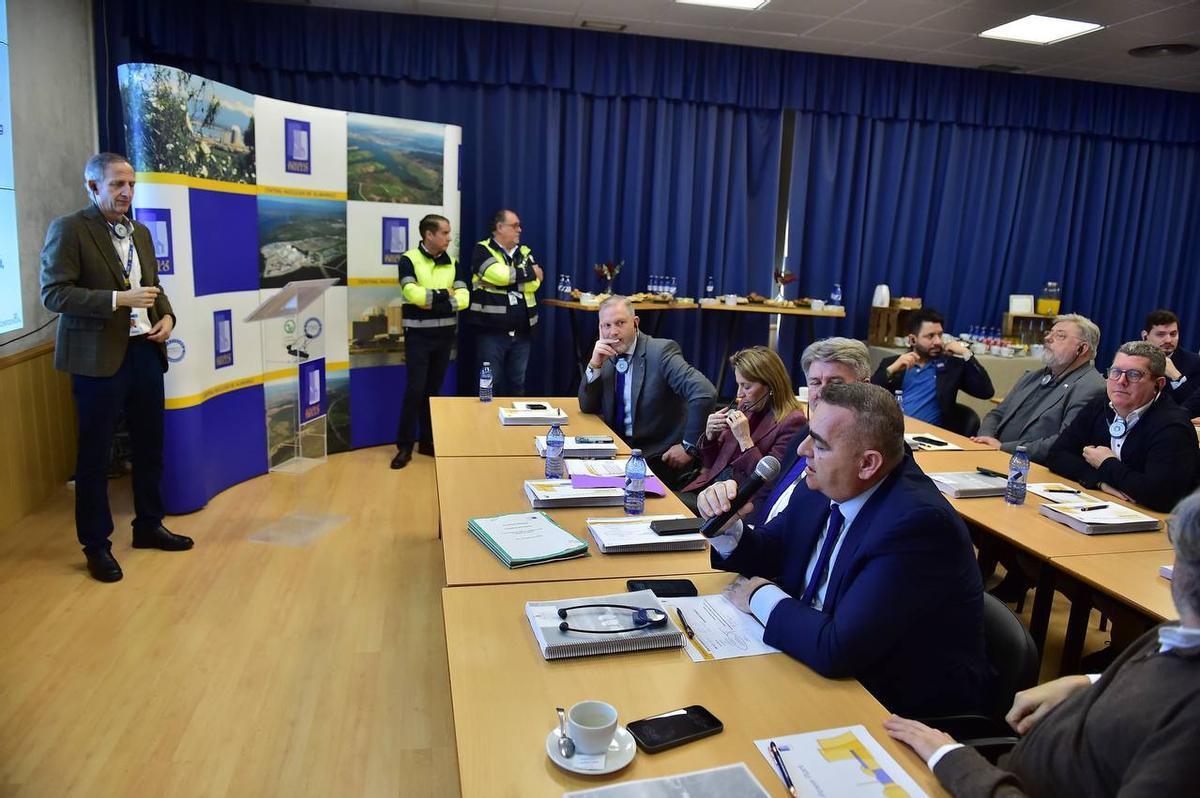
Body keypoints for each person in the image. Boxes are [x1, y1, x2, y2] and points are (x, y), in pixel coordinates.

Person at [697, 383, 990, 717]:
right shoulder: (823, 483)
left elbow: (838, 648)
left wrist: (758, 595)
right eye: (809, 434)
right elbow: (771, 549)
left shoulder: (917, 525)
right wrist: (727, 528)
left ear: (867, 464)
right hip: (811, 659)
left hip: (893, 702)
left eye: (819, 444)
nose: (802, 450)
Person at [884, 488, 1200, 797]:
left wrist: (951, 760)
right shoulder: (1176, 634)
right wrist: (1087, 682)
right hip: (1003, 770)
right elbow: (1160, 679)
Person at [39, 152, 193, 583]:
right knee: (96, 457)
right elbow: (54, 295)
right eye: (116, 185)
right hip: (97, 359)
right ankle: (96, 545)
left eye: (130, 184)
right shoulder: (70, 229)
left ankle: (148, 525)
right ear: (93, 187)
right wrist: (115, 300)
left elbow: (153, 286)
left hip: (144, 351)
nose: (126, 192)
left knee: (150, 446)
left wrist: (168, 316)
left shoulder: (140, 232)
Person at [577, 295, 715, 488]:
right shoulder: (606, 355)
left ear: (635, 323)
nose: (613, 332)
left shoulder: (661, 352)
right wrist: (594, 364)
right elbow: (587, 406)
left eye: (620, 323)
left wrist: (689, 446)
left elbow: (704, 392)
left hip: (656, 457)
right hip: (615, 451)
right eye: (606, 326)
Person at [1046, 341, 1198, 512]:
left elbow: (1160, 496)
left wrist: (1106, 463)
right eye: (1115, 372)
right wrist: (1099, 481)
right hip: (1105, 506)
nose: (1121, 381)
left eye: (1134, 375)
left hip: (1156, 521)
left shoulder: (1173, 426)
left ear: (1159, 384)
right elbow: (1056, 454)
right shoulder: (1099, 406)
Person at [753, 337, 872, 525]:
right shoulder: (803, 435)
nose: (822, 392)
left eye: (836, 383)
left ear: (865, 387)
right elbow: (769, 494)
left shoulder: (862, 452)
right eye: (816, 382)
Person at [678, 347, 806, 511]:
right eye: (739, 385)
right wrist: (710, 436)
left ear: (771, 386)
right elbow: (712, 464)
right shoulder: (746, 405)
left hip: (737, 501)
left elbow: (768, 482)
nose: (739, 394)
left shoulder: (793, 421)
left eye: (746, 386)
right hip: (709, 488)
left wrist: (745, 440)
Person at [971, 314, 1106, 463]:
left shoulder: (1091, 388)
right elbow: (996, 414)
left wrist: (1003, 448)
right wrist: (986, 440)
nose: (1048, 338)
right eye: (1049, 333)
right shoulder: (1033, 376)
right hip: (992, 455)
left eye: (1060, 336)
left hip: (1031, 467)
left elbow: (1063, 441)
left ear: (1082, 348)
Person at [391, 214, 469, 470]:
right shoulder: (408, 260)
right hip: (418, 337)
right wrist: (444, 297)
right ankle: (404, 447)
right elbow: (411, 293)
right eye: (445, 233)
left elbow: (464, 297)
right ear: (429, 235)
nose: (449, 238)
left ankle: (427, 442)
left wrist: (432, 301)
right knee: (414, 391)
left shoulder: (453, 263)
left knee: (433, 393)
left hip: (444, 337)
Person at [872, 308, 994, 432]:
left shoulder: (950, 366)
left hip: (931, 437)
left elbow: (986, 392)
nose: (938, 341)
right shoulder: (893, 363)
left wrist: (966, 353)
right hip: (892, 434)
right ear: (912, 339)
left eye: (940, 335)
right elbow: (867, 398)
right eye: (930, 336)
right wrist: (891, 370)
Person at [464, 209, 542, 396]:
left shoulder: (524, 252)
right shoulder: (482, 249)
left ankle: (516, 425)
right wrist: (526, 275)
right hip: (492, 331)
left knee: (518, 383)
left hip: (523, 332)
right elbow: (499, 275)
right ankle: (485, 425)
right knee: (490, 385)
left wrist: (503, 282)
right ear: (500, 227)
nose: (520, 230)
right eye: (515, 226)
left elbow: (535, 283)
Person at [1141, 308, 1200, 406]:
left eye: (1173, 334)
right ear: (1145, 336)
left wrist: (1176, 377)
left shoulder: (1194, 362)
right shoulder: (1132, 358)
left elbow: (1195, 405)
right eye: (1160, 334)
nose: (1168, 340)